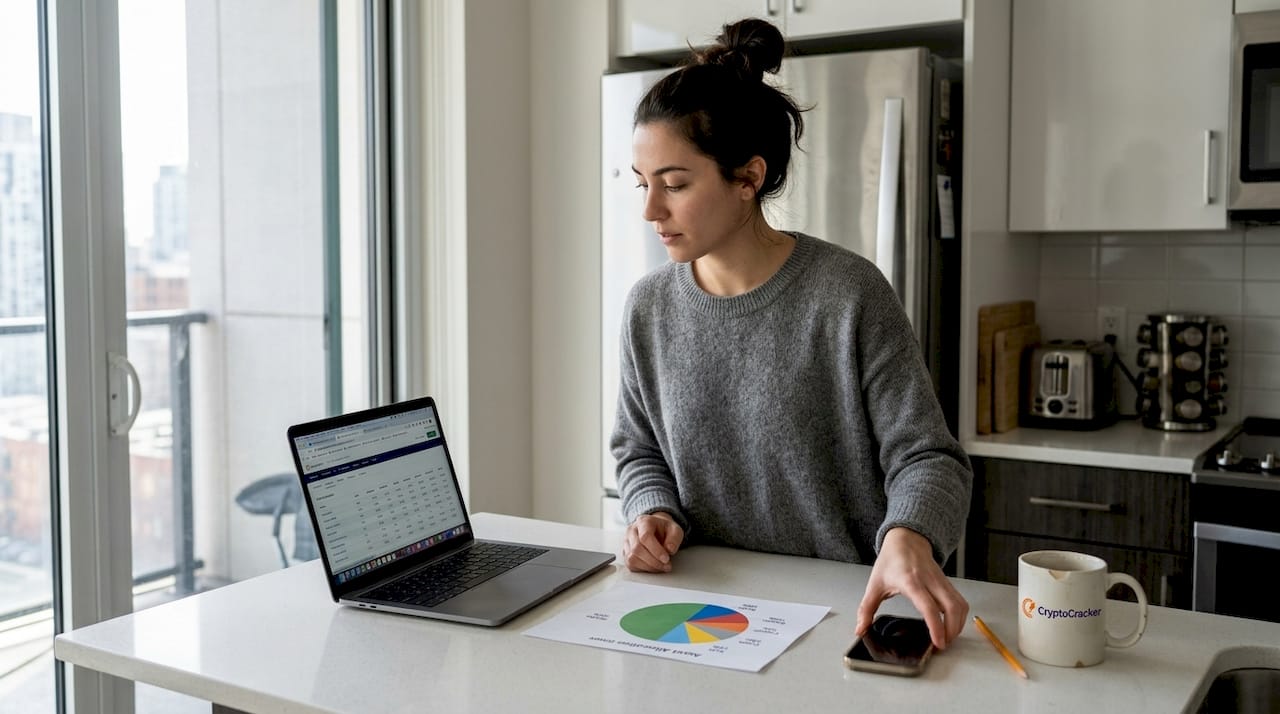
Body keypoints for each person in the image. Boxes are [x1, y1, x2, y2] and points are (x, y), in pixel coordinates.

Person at [609, 16, 974, 651]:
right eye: (644, 185)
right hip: (701, 616)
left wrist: (908, 536)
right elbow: (639, 452)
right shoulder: (648, 308)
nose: (650, 211)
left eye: (674, 184)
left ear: (748, 179)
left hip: (841, 615)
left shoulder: (848, 294)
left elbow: (929, 459)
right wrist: (653, 511)